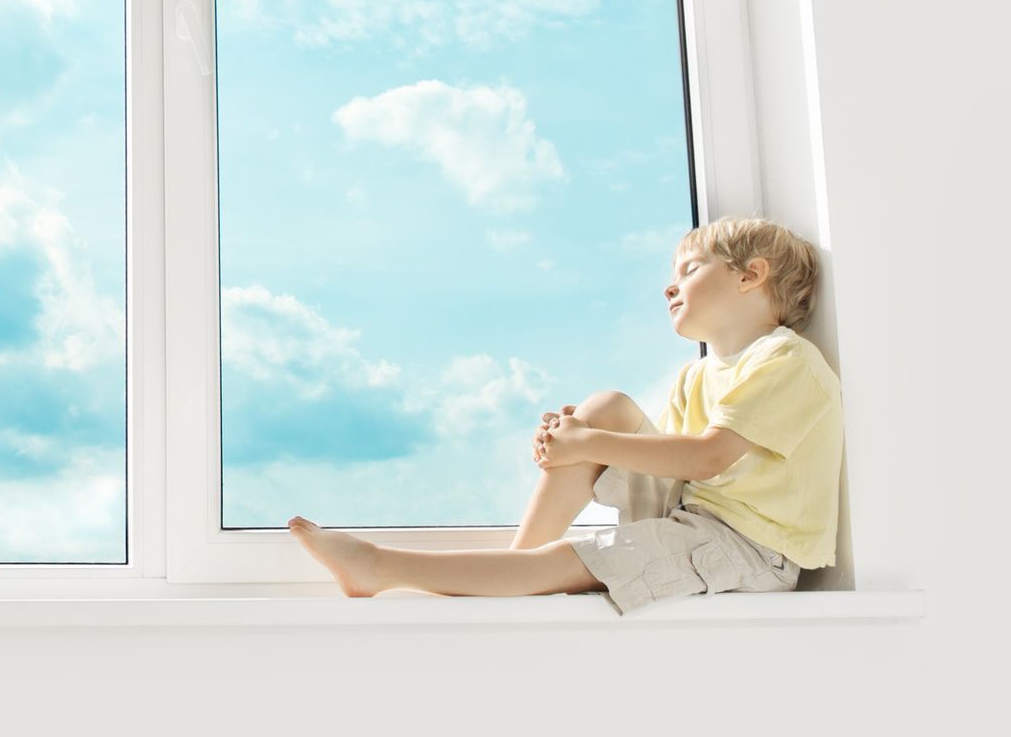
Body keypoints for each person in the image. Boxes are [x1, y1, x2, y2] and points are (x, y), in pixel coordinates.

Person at [288, 216, 844, 614]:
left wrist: (588, 446)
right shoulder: (695, 376)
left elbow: (707, 458)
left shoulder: (786, 358)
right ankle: (516, 566)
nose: (669, 285)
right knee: (607, 407)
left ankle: (383, 567)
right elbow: (672, 466)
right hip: (694, 515)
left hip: (749, 551)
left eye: (691, 268)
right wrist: (580, 438)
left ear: (749, 276)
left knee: (575, 551)